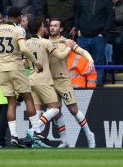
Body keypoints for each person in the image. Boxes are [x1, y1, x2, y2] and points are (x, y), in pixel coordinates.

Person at [0, 7, 44, 147]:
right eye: (20, 17)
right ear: (17, 17)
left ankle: (14, 136)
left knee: (11, 102)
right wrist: (36, 62)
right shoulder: (18, 30)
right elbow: (23, 49)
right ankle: (36, 131)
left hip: (3, 70)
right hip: (16, 68)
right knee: (28, 98)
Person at [24, 17, 76, 147]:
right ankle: (34, 131)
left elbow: (25, 64)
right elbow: (60, 56)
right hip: (44, 80)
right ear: (40, 28)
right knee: (55, 109)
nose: (46, 28)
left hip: (31, 80)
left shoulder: (25, 43)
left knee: (37, 112)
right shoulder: (45, 43)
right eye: (43, 26)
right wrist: (69, 47)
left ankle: (36, 142)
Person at [48, 18, 96, 148]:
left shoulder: (67, 42)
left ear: (61, 29)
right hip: (50, 81)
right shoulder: (45, 42)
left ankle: (89, 134)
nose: (52, 28)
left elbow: (83, 51)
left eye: (55, 26)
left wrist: (90, 61)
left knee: (73, 109)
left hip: (63, 80)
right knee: (56, 111)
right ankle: (64, 141)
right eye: (51, 25)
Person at [75, 0, 114, 86]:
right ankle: (81, 84)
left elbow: (111, 18)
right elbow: (77, 14)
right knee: (81, 62)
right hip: (82, 36)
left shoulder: (107, 0)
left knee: (98, 61)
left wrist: (103, 33)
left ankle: (97, 85)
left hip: (98, 37)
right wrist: (78, 28)